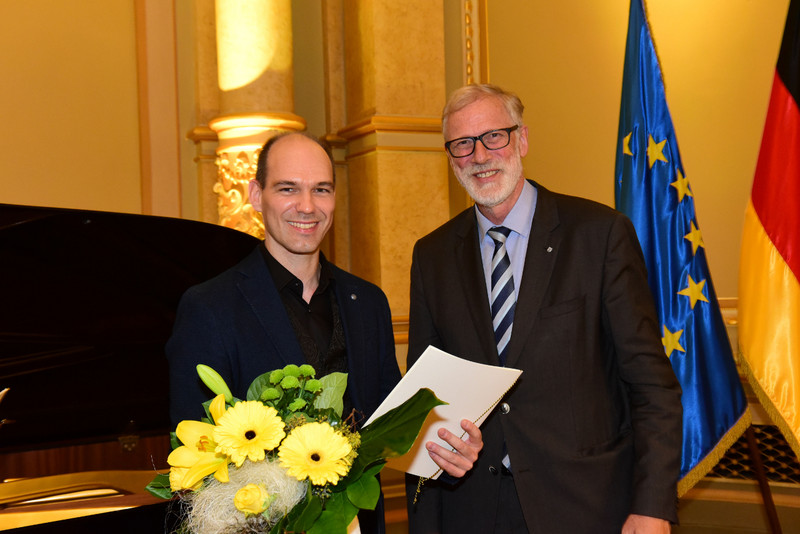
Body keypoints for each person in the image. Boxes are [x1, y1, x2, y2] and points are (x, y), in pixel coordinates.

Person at [405, 84, 683, 534]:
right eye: (462, 144)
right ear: (451, 157)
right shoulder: (432, 256)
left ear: (522, 140)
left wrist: (652, 507)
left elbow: (652, 387)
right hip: (474, 510)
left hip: (586, 507)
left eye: (494, 136)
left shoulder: (599, 234)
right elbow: (425, 402)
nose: (479, 155)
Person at [166, 132, 401, 534]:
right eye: (288, 188)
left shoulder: (369, 301)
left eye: (321, 190)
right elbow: (195, 457)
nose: (307, 206)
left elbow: (389, 422)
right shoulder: (209, 307)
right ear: (256, 195)